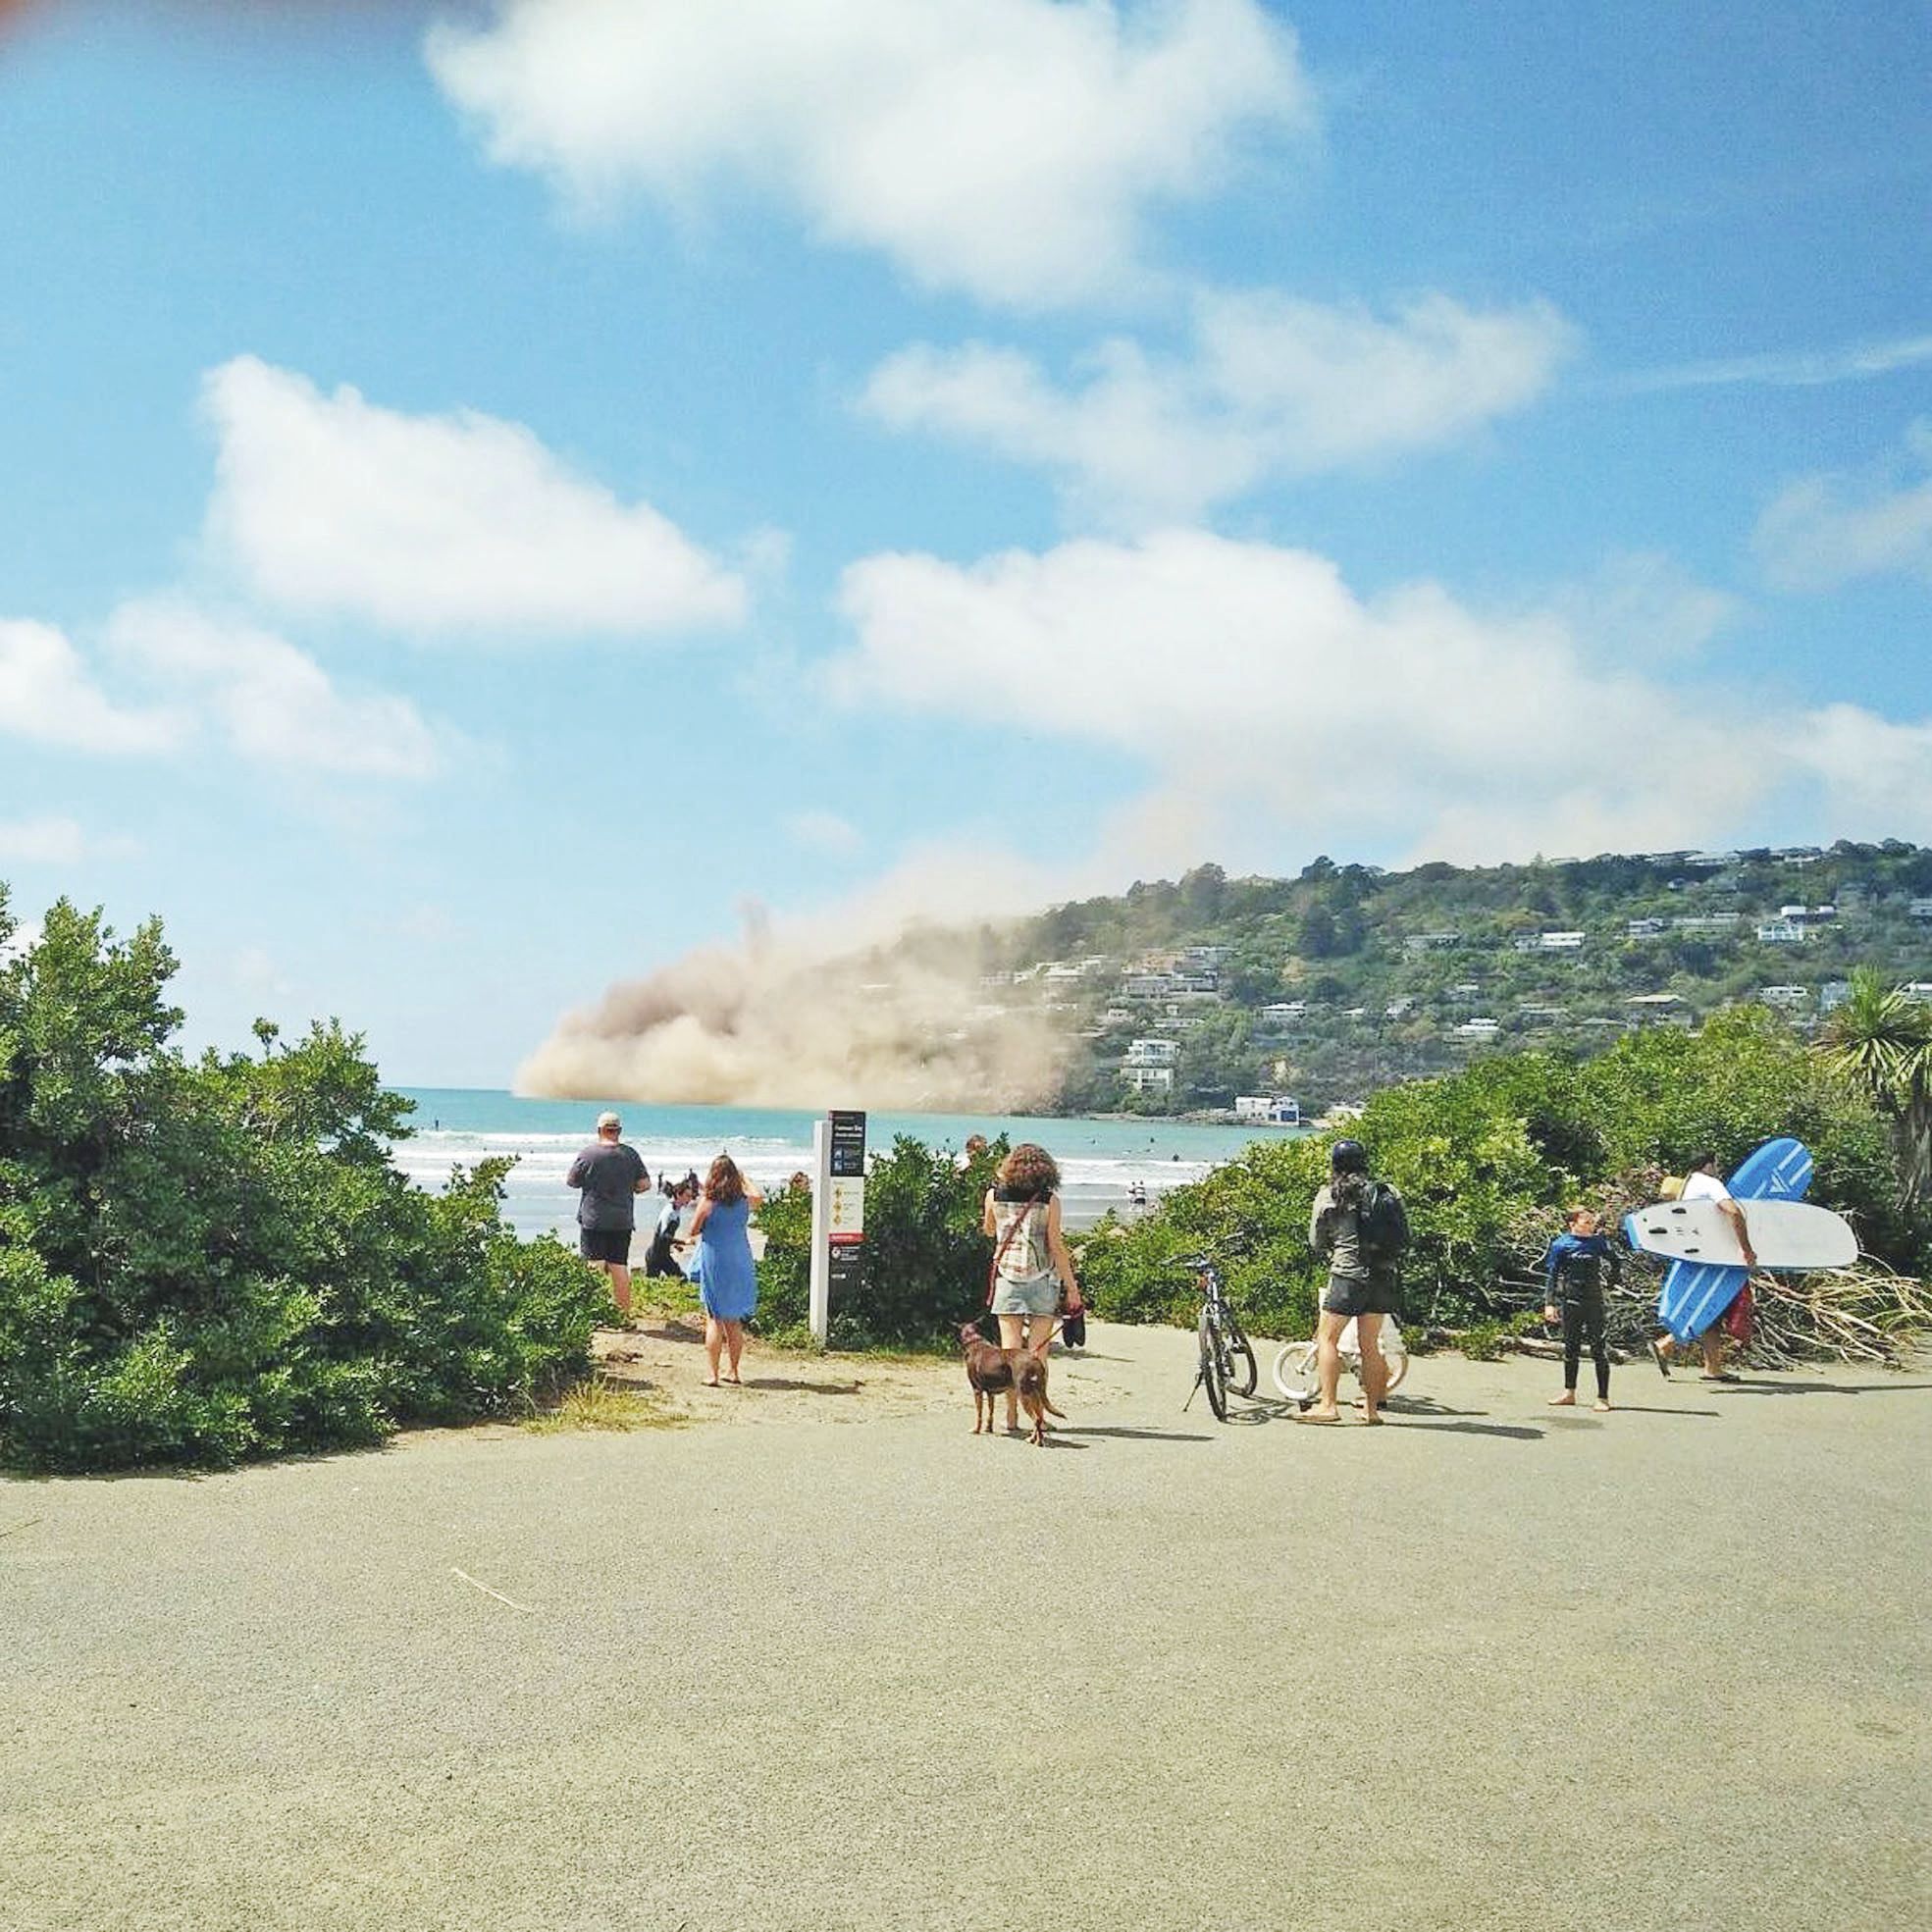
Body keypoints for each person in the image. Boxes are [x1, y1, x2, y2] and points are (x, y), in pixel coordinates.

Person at [1302, 1138, 1405, 1425]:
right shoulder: (1388, 1192)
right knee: (1370, 1344)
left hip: (1347, 1274)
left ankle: (1328, 1405)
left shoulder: (1329, 1195)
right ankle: (1371, 1411)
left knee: (1328, 1339)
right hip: (1383, 1275)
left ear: (1335, 1164)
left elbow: (1316, 1241)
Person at [981, 1143, 1083, 1432]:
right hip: (1042, 1279)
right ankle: (1038, 1415)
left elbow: (989, 1230)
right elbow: (1056, 1246)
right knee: (1038, 1355)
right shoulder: (1049, 1201)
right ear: (1045, 1170)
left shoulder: (993, 1196)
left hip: (1007, 1277)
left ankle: (1011, 1416)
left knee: (1009, 1352)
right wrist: (1072, 1289)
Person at [1650, 1151, 1757, 1382]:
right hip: (1715, 1258)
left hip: (1696, 1255)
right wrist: (1746, 1248)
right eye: (1716, 1164)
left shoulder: (1688, 1187)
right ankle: (1667, 1343)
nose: (1718, 1168)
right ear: (1708, 1165)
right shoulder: (1711, 1183)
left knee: (1713, 1308)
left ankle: (1711, 1366)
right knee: (1714, 1306)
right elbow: (1734, 1211)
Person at [565, 1111, 650, 1325]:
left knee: (594, 1264)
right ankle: (623, 1316)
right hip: (622, 1219)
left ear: (599, 1130)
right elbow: (644, 1184)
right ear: (619, 1131)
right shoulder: (630, 1154)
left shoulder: (588, 1154)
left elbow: (572, 1181)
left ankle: (593, 1313)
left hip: (593, 1218)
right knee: (619, 1266)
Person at [688, 1153, 764, 1386]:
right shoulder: (743, 1201)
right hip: (740, 1256)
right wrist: (744, 1178)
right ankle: (733, 1371)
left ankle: (713, 1374)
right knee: (733, 1320)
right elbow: (759, 1196)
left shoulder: (709, 1202)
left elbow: (693, 1230)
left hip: (716, 1258)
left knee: (714, 1317)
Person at [1541, 1207, 1621, 1411]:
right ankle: (1569, 1392)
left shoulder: (1597, 1242)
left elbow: (1615, 1261)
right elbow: (1553, 1275)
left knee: (1598, 1348)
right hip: (1571, 1301)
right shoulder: (1561, 1244)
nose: (1590, 1225)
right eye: (1586, 1222)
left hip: (1593, 1300)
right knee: (1571, 1348)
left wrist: (1611, 1283)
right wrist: (1550, 1304)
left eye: (1592, 1222)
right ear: (1573, 1224)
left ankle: (1603, 1397)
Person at [642, 1175, 698, 1280]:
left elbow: (667, 1236)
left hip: (664, 1255)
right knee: (654, 1287)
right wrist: (684, 1242)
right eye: (687, 1196)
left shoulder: (677, 1211)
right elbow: (663, 1237)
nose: (690, 1199)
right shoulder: (670, 1211)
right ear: (678, 1194)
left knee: (682, 1280)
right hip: (655, 1256)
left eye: (691, 1196)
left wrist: (675, 1244)